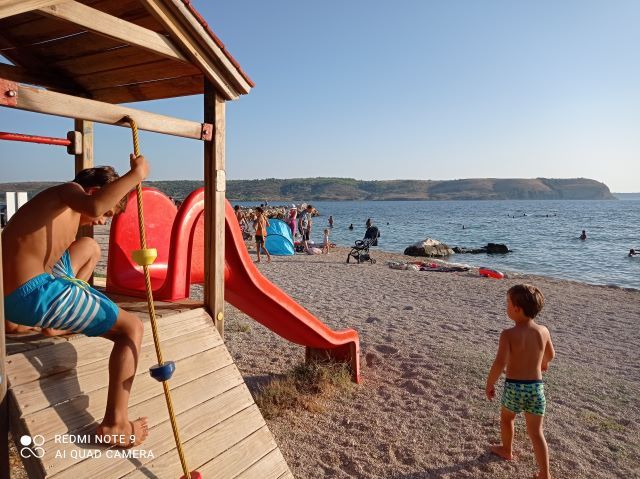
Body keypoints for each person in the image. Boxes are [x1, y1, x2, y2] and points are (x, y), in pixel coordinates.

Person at [2, 158, 151, 447]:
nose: (102, 220)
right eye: (107, 212)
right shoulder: (69, 192)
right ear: (94, 192)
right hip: (34, 294)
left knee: (90, 247)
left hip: (12, 298)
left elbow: (51, 252)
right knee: (131, 328)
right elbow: (94, 207)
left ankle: (53, 322)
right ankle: (115, 423)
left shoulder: (56, 209)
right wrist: (137, 174)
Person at [486, 284, 555, 479]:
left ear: (516, 308)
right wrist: (543, 363)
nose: (506, 306)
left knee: (507, 418)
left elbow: (500, 363)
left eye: (507, 302)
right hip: (536, 388)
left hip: (514, 387)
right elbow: (550, 355)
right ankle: (545, 474)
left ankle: (507, 449)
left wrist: (490, 383)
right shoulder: (543, 331)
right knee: (536, 432)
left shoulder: (508, 334)